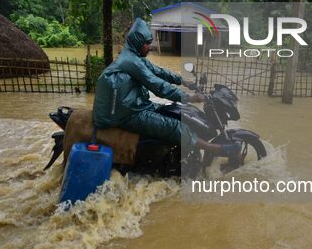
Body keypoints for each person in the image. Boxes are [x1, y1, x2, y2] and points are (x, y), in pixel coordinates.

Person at [93, 18, 240, 156]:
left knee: (170, 110)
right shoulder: (131, 61)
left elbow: (158, 71)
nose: (149, 47)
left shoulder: (133, 56)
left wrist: (183, 81)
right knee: (174, 126)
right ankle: (216, 149)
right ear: (138, 42)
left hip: (133, 104)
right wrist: (189, 97)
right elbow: (157, 85)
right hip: (126, 114)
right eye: (147, 43)